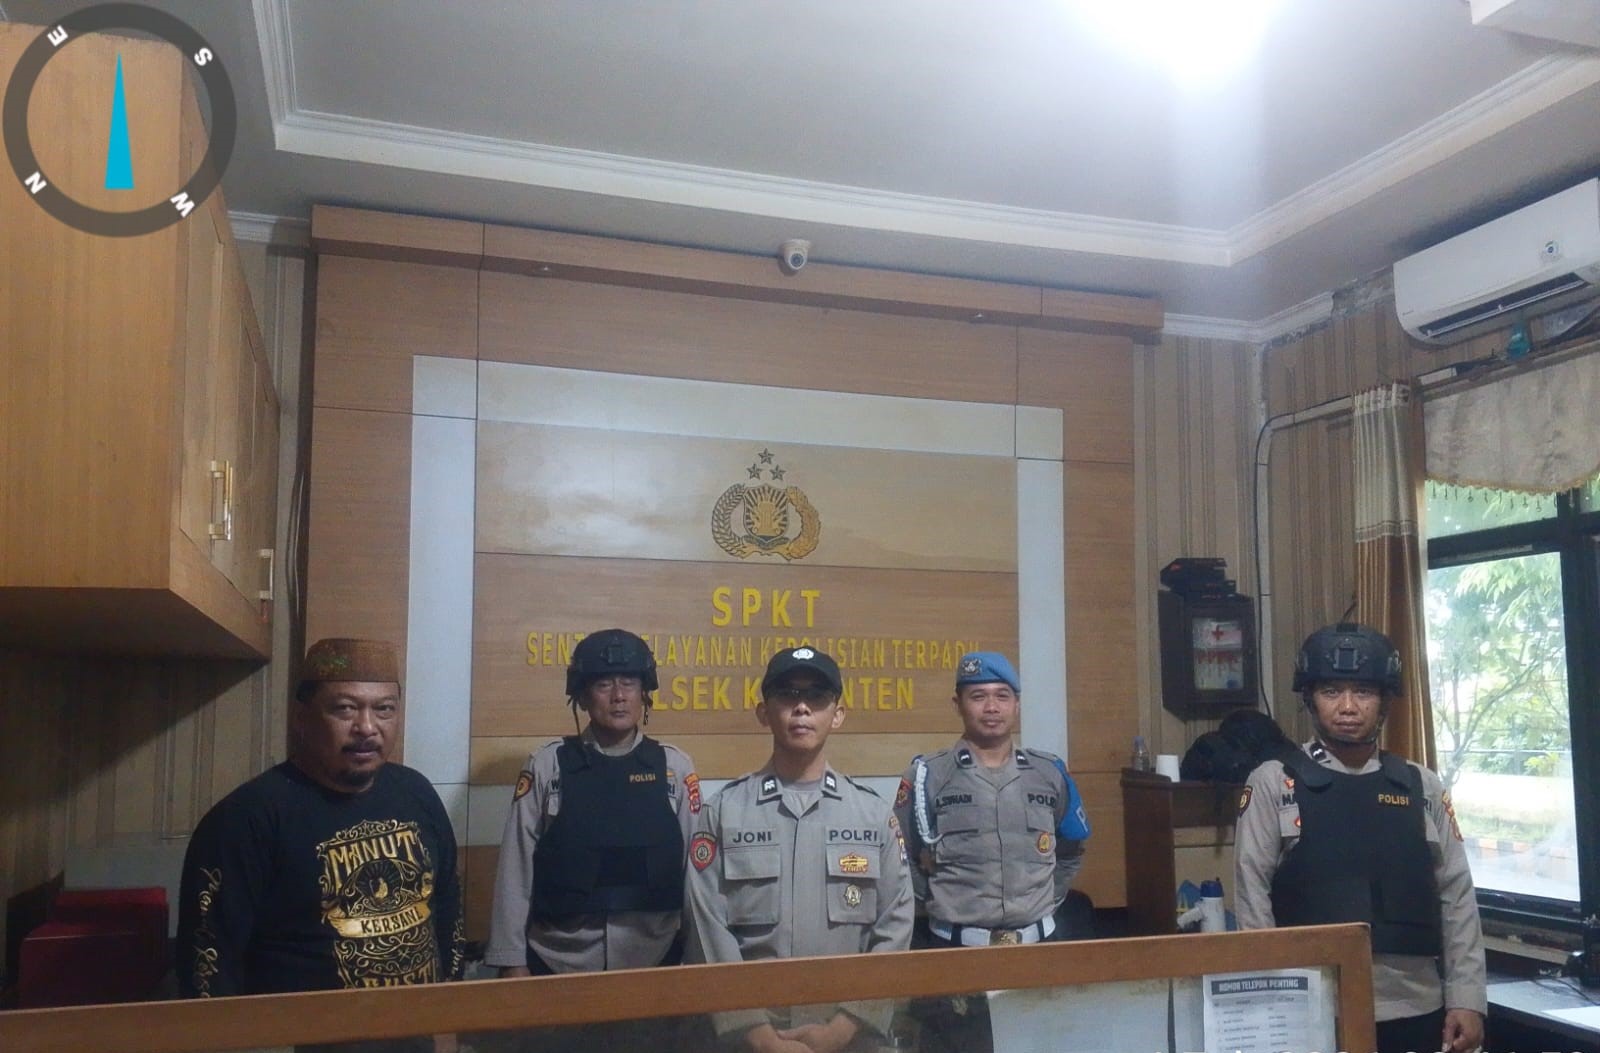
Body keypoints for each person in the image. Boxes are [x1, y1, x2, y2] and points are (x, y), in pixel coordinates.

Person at [1234, 623, 1486, 1053]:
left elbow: (1456, 895)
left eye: (1364, 692)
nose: (1348, 707)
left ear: (1385, 700)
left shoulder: (1421, 785)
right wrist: (1272, 998)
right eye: (1331, 691)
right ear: (1310, 698)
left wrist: (1468, 998)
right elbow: (1251, 895)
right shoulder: (1274, 781)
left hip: (1416, 1005)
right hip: (1313, 1006)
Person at [176, 638, 464, 998]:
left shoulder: (417, 794)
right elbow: (209, 967)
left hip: (418, 1025)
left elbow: (449, 912)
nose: (367, 727)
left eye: (384, 709)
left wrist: (449, 1013)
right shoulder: (245, 819)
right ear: (302, 717)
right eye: (345, 709)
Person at [684, 646, 914, 1053]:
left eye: (817, 697)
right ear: (763, 713)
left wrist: (843, 1028)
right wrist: (757, 1034)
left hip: (850, 1038)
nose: (802, 707)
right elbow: (707, 930)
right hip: (748, 1041)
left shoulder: (872, 815)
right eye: (787, 694)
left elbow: (895, 924)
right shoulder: (724, 812)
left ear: (837, 715)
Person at [893, 651, 1091, 1053]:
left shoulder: (1048, 772)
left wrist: (1043, 900)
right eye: (978, 696)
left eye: (1002, 696)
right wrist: (939, 903)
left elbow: (1071, 849)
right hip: (955, 957)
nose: (991, 707)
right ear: (958, 704)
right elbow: (901, 857)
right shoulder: (928, 775)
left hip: (1037, 953)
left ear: (1016, 705)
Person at [485, 628, 698, 976]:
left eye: (629, 683)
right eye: (603, 684)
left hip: (654, 959)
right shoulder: (547, 765)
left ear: (644, 693)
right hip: (558, 959)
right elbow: (516, 867)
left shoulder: (674, 768)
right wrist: (511, 960)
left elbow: (695, 875)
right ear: (582, 696)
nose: (618, 696)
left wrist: (698, 957)